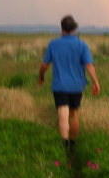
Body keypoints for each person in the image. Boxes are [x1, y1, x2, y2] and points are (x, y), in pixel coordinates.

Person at [38, 15, 100, 153]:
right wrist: (95, 81)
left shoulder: (53, 44)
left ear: (62, 28)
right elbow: (89, 65)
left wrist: (41, 76)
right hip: (77, 86)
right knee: (74, 115)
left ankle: (65, 144)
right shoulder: (82, 45)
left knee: (63, 115)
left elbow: (44, 65)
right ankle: (72, 143)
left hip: (59, 86)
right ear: (74, 28)